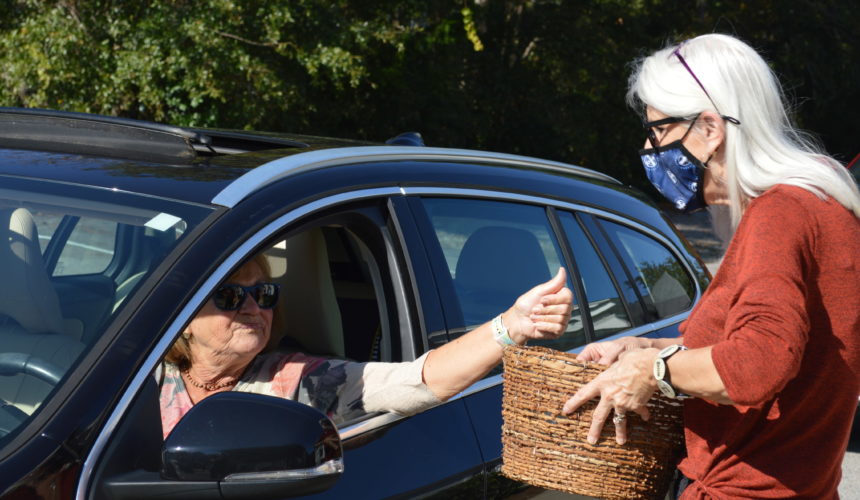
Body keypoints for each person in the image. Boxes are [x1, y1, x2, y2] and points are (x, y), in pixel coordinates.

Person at [561, 33, 860, 499]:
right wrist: (646, 347)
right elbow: (783, 346)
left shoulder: (780, 214)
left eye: (658, 130)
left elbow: (759, 362)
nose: (649, 146)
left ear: (709, 129)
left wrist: (652, 371)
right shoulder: (822, 204)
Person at [159, 253, 573, 438]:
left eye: (264, 293)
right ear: (185, 322)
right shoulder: (142, 375)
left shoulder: (302, 380)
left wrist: (512, 325)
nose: (253, 307)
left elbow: (419, 381)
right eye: (231, 297)